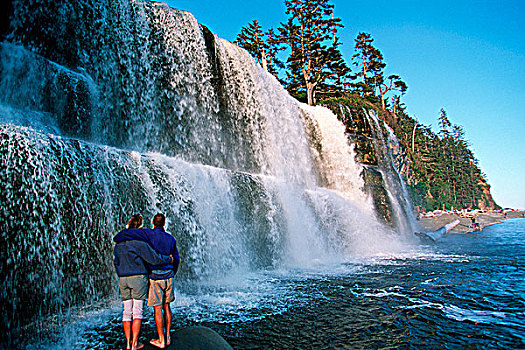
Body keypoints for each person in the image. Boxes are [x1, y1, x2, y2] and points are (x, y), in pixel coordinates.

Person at [114, 213, 180, 349]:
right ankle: (165, 337)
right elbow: (170, 258)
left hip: (149, 276)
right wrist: (172, 266)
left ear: (153, 222)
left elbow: (119, 256)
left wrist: (117, 238)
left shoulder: (145, 235)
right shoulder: (169, 239)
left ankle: (150, 340)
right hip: (164, 275)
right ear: (164, 223)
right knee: (165, 306)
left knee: (146, 310)